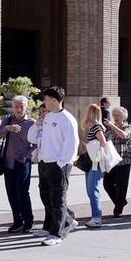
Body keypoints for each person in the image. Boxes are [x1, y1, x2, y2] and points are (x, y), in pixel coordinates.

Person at [33, 86, 79, 246]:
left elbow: (72, 144)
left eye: (45, 99)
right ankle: (63, 221)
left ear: (54, 100)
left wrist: (61, 163)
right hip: (45, 162)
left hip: (59, 164)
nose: (43, 102)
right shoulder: (48, 117)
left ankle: (57, 233)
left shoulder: (67, 119)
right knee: (45, 195)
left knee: (58, 198)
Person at [0, 95, 36, 233]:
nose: (19, 109)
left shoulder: (31, 123)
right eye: (16, 106)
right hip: (8, 162)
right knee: (11, 193)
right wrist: (7, 128)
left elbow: (37, 145)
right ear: (12, 107)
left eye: (21, 106)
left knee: (22, 192)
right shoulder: (8, 120)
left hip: (23, 162)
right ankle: (17, 221)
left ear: (26, 107)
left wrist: (26, 155)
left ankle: (28, 220)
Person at [100, 106, 131, 217]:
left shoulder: (127, 127)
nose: (115, 117)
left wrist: (112, 126)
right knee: (107, 184)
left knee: (121, 185)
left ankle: (118, 209)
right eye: (114, 115)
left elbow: (124, 136)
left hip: (124, 160)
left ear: (124, 116)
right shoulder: (108, 129)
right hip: (111, 161)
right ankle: (121, 202)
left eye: (118, 115)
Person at [80, 103, 108, 228]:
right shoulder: (94, 126)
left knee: (92, 190)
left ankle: (97, 218)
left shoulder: (96, 126)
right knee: (91, 190)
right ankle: (96, 217)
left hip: (95, 162)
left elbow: (103, 143)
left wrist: (89, 145)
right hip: (92, 162)